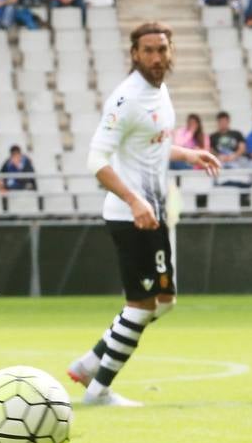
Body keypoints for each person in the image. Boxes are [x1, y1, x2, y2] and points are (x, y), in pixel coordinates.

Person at [66, 22, 221, 407]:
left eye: (162, 49)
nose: (156, 57)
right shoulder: (127, 99)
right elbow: (96, 161)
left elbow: (153, 144)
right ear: (134, 54)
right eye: (148, 50)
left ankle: (88, 363)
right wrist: (135, 201)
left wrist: (187, 155)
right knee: (142, 305)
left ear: (171, 53)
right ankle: (97, 390)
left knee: (164, 301)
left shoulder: (160, 91)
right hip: (130, 216)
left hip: (154, 214)